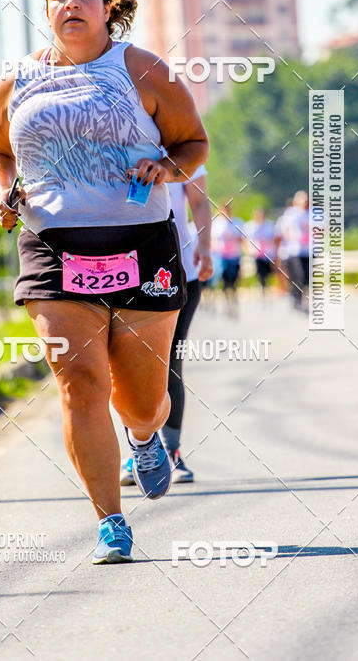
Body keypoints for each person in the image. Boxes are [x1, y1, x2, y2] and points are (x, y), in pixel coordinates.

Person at [0, 0, 209, 564]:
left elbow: (193, 141)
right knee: (80, 387)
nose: (72, 4)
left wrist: (167, 166)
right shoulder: (15, 81)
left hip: (141, 243)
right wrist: (3, 192)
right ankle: (110, 521)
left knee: (139, 399)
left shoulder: (143, 70)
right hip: (54, 246)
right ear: (46, 6)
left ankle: (144, 435)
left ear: (107, 7)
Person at [120, 166, 213, 486]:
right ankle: (137, 450)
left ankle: (172, 452)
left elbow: (199, 200)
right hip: (122, 270)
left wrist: (205, 246)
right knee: (124, 367)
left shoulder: (178, 138)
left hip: (179, 270)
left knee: (169, 363)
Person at [211, 202, 245, 317]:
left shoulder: (237, 222)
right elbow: (212, 240)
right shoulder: (216, 224)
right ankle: (226, 303)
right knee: (224, 280)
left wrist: (234, 238)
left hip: (234, 256)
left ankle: (234, 300)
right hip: (221, 257)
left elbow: (243, 239)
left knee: (234, 280)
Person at [280, 191, 310, 311]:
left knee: (307, 277)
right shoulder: (291, 214)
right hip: (295, 251)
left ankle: (303, 299)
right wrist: (291, 236)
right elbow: (285, 231)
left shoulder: (312, 214)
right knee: (298, 275)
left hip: (308, 251)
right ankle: (297, 298)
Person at [245, 208, 276, 299]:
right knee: (260, 274)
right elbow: (245, 240)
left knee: (268, 274)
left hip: (268, 254)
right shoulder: (250, 226)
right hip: (256, 254)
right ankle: (262, 290)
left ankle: (267, 289)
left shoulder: (270, 225)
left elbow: (274, 239)